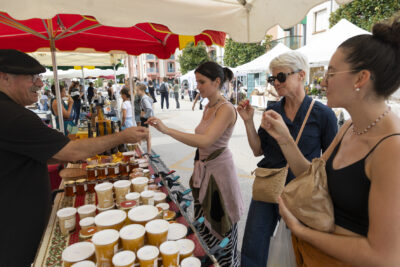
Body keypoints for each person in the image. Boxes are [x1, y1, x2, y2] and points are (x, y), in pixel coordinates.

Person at [260, 18, 400, 267]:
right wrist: (285, 139)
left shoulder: (391, 148)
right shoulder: (349, 126)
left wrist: (302, 232)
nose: (323, 82)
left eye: (332, 73)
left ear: (361, 78)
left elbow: (384, 257)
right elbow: (314, 179)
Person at [0, 49, 149, 266]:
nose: (40, 84)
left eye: (40, 78)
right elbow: (72, 152)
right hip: (13, 227)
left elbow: (44, 154)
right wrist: (122, 136)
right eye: (32, 78)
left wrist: (60, 147)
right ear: (5, 77)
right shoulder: (12, 115)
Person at [238, 51, 338, 267]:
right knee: (253, 245)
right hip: (269, 184)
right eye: (272, 79)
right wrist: (247, 122)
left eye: (281, 77)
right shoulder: (273, 109)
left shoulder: (323, 115)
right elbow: (258, 150)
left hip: (301, 191)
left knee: (301, 249)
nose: (275, 83)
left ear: (301, 75)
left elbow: (329, 165)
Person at [147, 61, 243, 267]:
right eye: (197, 81)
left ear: (217, 82)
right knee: (205, 226)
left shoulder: (225, 109)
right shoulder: (209, 105)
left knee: (221, 227)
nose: (197, 86)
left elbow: (206, 141)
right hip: (204, 170)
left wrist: (168, 130)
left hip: (219, 175)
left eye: (202, 82)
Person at [137, 83, 154, 154]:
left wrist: (145, 116)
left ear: (142, 90)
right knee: (147, 136)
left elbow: (149, 108)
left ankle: (140, 152)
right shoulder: (146, 97)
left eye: (137, 90)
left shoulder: (144, 99)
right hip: (147, 118)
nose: (137, 92)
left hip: (145, 119)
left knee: (142, 136)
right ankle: (148, 152)